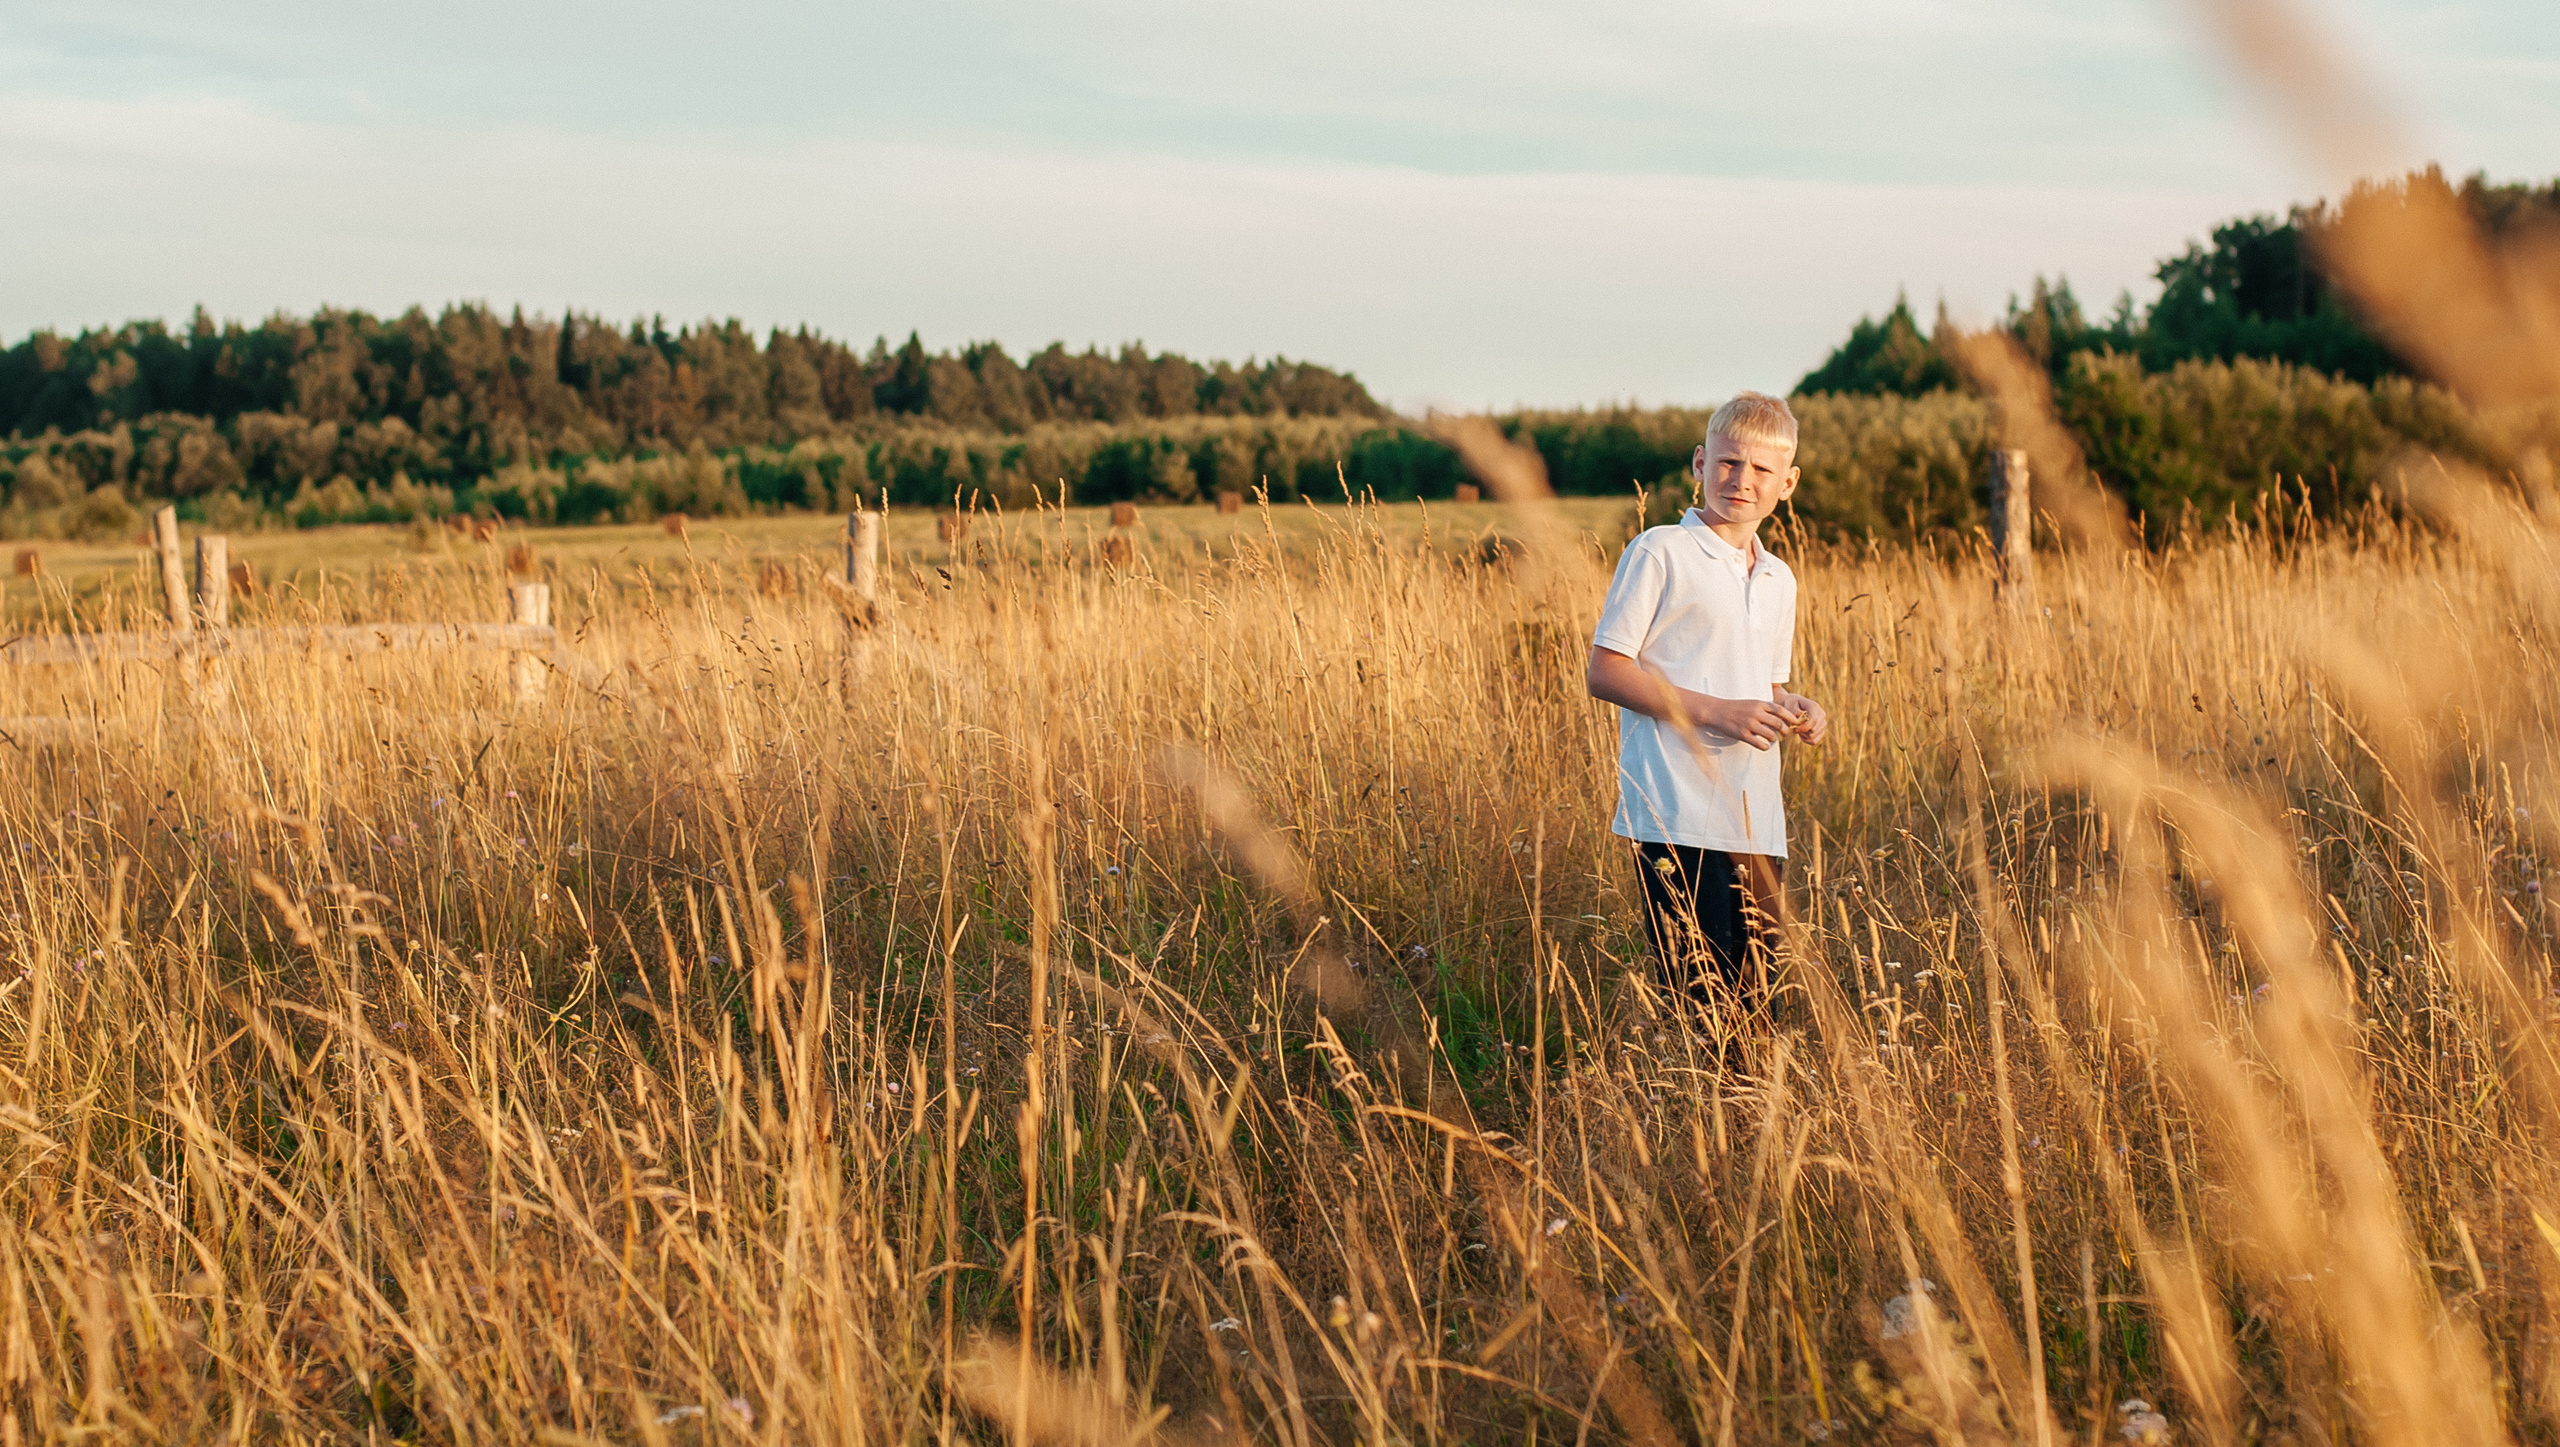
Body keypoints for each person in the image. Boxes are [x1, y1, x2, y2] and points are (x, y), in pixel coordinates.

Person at [1585, 391, 1829, 1020]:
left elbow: (1763, 686)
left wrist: (1794, 705)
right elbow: (1606, 671)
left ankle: (1749, 1094)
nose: (1741, 480)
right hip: (1677, 814)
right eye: (1728, 462)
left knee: (1759, 1005)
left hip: (1754, 819)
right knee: (1703, 1009)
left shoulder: (1778, 578)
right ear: (1700, 463)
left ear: (1787, 483)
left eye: (1762, 469)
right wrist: (1718, 712)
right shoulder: (1660, 551)